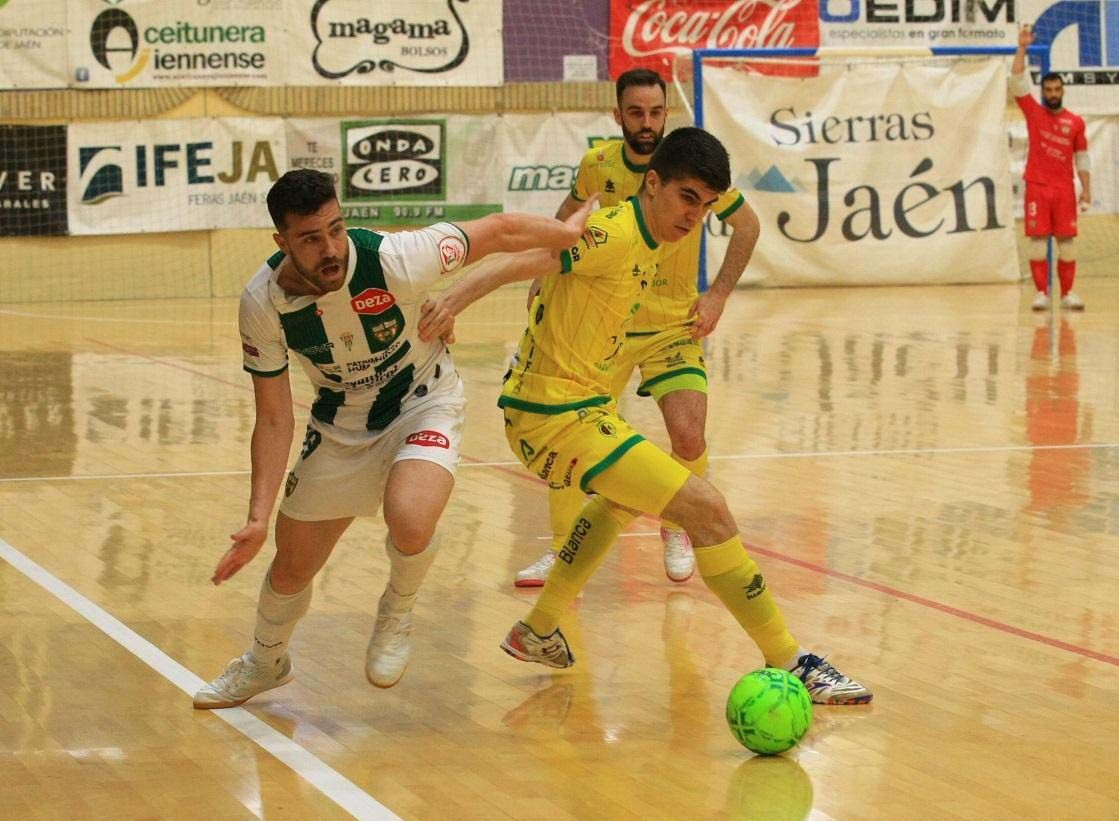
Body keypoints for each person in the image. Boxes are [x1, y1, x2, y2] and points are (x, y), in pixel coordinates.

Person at [418, 128, 871, 705]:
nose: (695, 216)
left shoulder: (649, 241)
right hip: (552, 414)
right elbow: (524, 257)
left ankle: (539, 627)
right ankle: (793, 660)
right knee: (707, 510)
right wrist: (451, 300)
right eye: (687, 198)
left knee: (623, 499)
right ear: (652, 184)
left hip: (575, 409)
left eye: (707, 206)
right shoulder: (614, 232)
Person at [192, 169, 594, 709]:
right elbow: (273, 417)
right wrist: (258, 516)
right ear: (281, 242)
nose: (330, 248)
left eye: (336, 229)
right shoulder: (262, 303)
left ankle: (396, 611)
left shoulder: (395, 258)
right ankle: (266, 662)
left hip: (423, 400)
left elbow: (496, 230)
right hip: (339, 427)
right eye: (311, 239)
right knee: (290, 566)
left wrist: (564, 234)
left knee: (409, 517)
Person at [512, 68, 761, 588]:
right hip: (610, 333)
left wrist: (716, 296)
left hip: (675, 327)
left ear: (667, 112)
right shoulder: (597, 165)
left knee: (689, 431)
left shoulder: (690, 166)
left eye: (655, 112)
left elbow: (747, 225)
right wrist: (549, 268)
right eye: (636, 113)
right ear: (617, 114)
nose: (647, 124)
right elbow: (568, 216)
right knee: (575, 442)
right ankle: (561, 552)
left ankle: (677, 525)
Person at [1013, 24, 1090, 312]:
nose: (1053, 93)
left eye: (1057, 89)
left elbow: (1082, 158)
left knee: (1067, 243)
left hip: (1064, 189)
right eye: (1048, 89)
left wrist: (1086, 190)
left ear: (1063, 91)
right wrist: (1022, 47)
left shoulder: (1076, 122)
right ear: (1043, 91)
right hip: (1037, 186)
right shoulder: (1034, 113)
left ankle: (1068, 293)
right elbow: (1017, 80)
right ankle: (1042, 293)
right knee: (1036, 242)